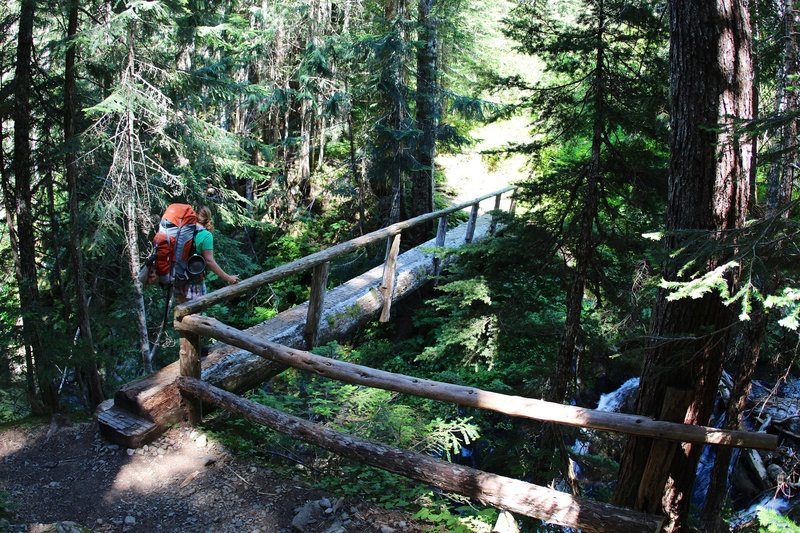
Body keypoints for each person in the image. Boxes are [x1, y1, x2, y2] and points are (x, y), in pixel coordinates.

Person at [174, 205, 239, 303]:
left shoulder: (185, 230)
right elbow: (209, 261)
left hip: (179, 278)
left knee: (181, 313)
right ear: (208, 218)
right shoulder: (206, 235)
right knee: (195, 316)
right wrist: (228, 278)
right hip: (194, 282)